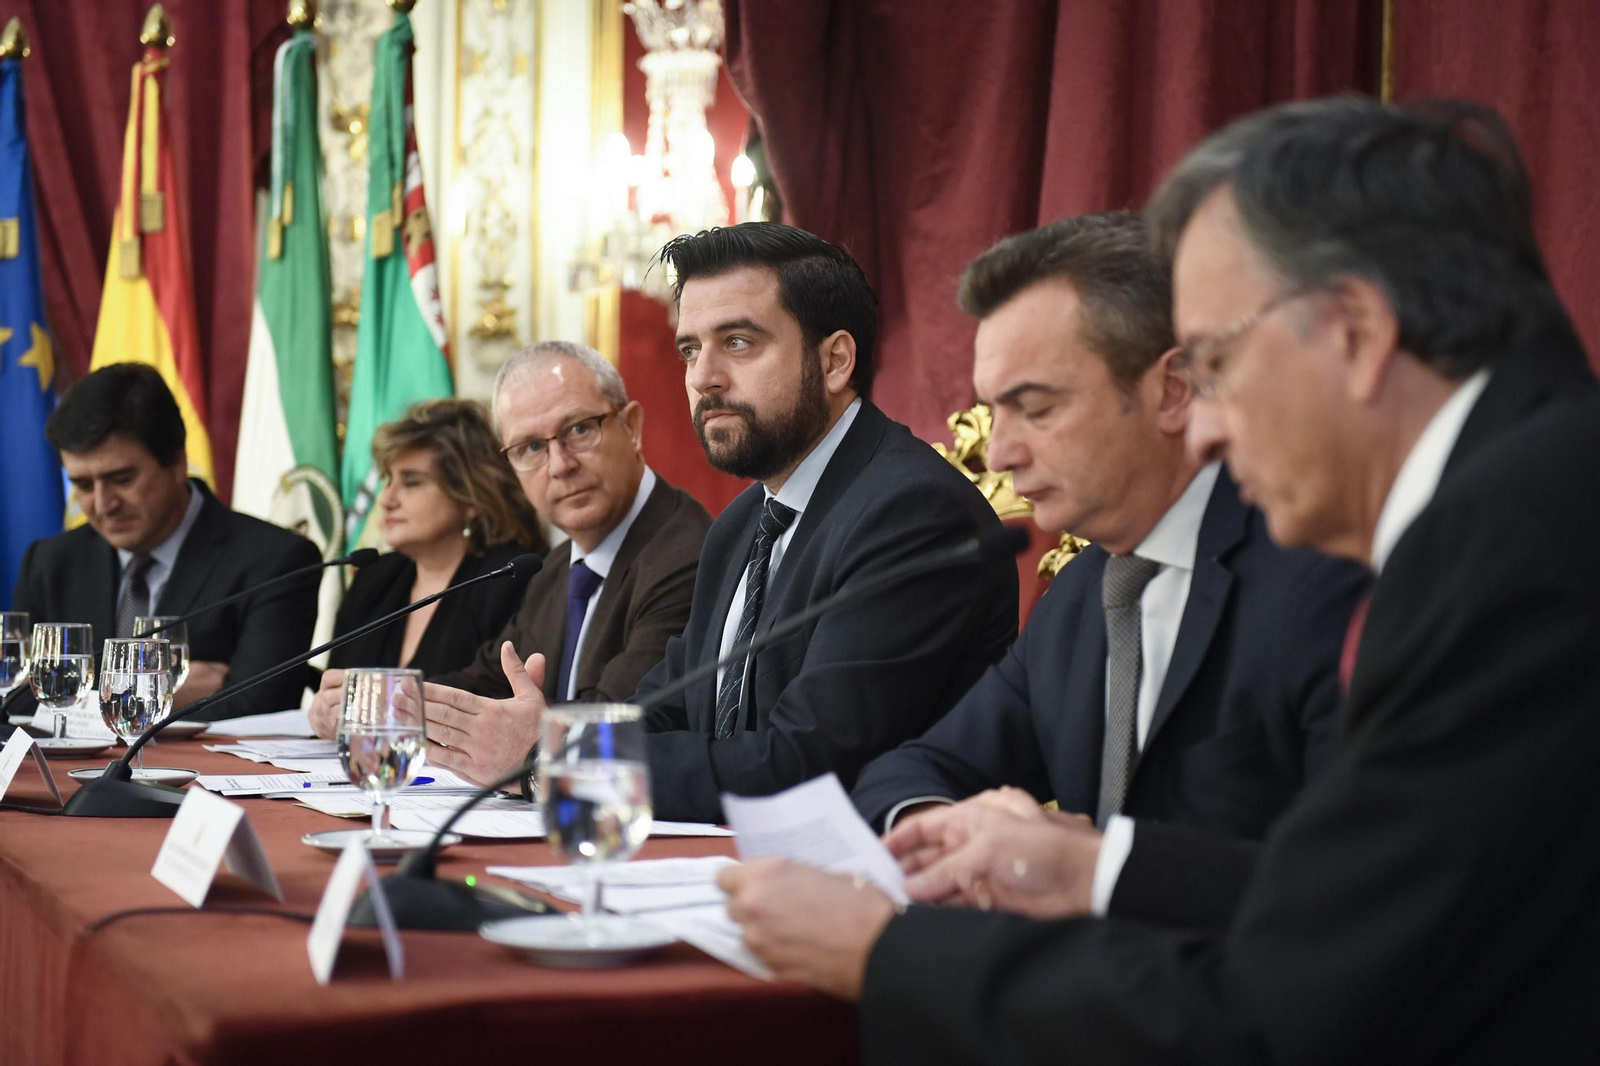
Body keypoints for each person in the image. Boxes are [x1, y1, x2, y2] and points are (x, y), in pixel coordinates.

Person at [718, 96, 1600, 1065]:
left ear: (1353, 330)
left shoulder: (1507, 549)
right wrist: (1096, 868)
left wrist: (885, 953)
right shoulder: (1515, 499)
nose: (1208, 429)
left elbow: (1286, 1008)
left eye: (1219, 360)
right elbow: (1355, 908)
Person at [848, 212, 1367, 929]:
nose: (999, 453)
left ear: (1173, 390)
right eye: (993, 411)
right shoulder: (1082, 593)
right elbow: (907, 770)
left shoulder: (1320, 574)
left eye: (1035, 408)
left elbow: (1359, 889)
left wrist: (1098, 868)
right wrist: (943, 828)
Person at [421, 222, 1019, 818]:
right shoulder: (742, 524)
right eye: (690, 349)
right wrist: (547, 741)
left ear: (835, 361)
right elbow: (664, 709)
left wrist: (555, 761)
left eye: (737, 342)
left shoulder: (911, 514)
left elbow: (803, 763)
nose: (702, 377)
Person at [312, 342, 712, 788]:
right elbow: (484, 681)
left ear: (631, 427)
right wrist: (372, 706)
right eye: (531, 447)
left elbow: (625, 719)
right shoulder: (554, 569)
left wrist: (517, 742)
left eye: (580, 430)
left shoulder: (687, 555)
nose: (560, 465)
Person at [10, 363, 320, 719]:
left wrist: (68, 693)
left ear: (177, 462)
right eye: (83, 485)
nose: (103, 504)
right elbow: (14, 698)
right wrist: (160, 691)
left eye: (122, 479)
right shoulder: (50, 563)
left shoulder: (276, 560)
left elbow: (262, 705)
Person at [326, 398, 545, 675]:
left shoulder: (509, 579)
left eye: (411, 482)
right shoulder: (374, 580)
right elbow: (339, 684)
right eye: (387, 480)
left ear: (470, 496)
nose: (387, 500)